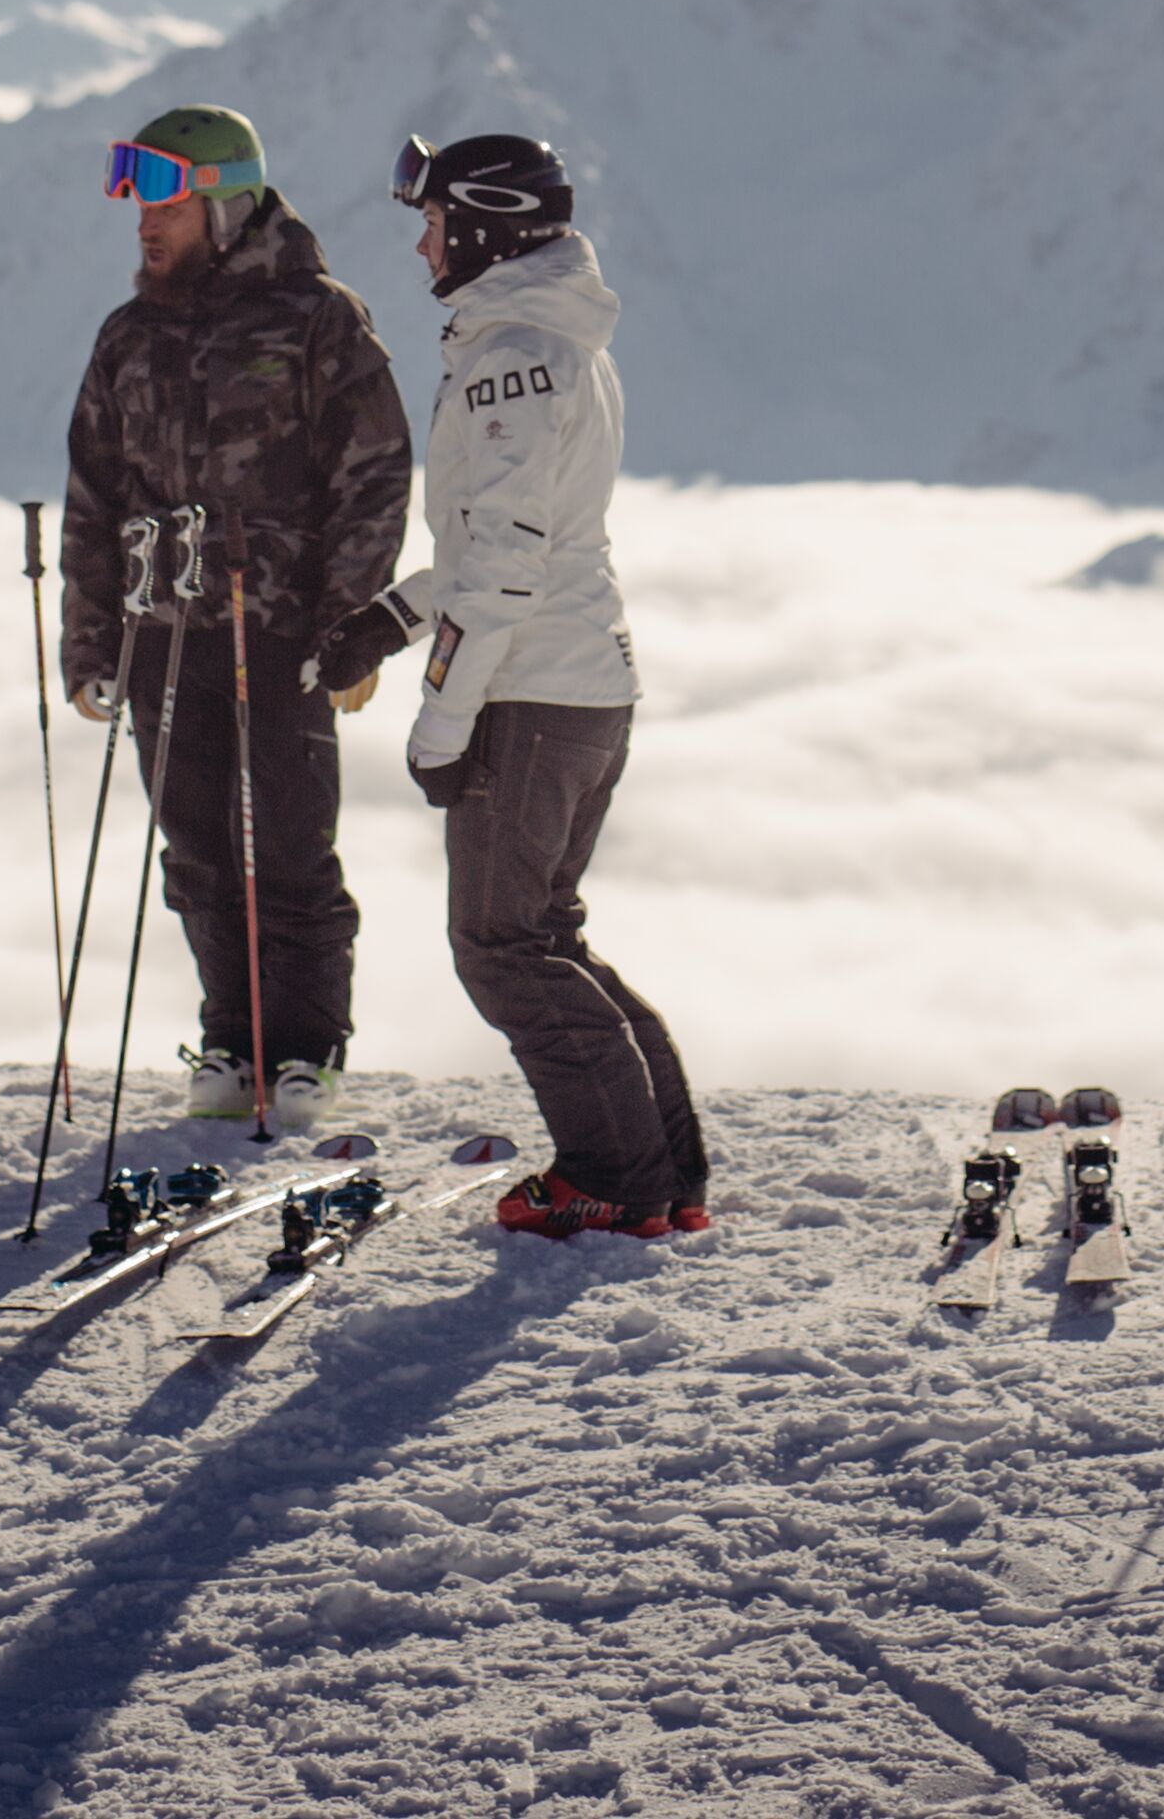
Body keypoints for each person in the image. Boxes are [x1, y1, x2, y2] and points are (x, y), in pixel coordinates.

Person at [55, 102, 414, 1131]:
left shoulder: (315, 318)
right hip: (160, 626)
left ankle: (307, 1048)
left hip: (283, 630)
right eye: (131, 190)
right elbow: (93, 494)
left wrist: (350, 624)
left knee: (290, 845)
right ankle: (231, 1035)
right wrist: (89, 642)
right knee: (197, 846)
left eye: (160, 192)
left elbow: (375, 471)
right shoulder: (127, 335)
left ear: (226, 200)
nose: (139, 216)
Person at [388, 131, 706, 1239]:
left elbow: (509, 558)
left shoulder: (510, 352)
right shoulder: (555, 342)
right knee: (545, 934)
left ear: (482, 222)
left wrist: (441, 723)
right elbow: (512, 538)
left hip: (530, 696)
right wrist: (396, 610)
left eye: (432, 219)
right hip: (585, 686)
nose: (420, 240)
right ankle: (664, 1174)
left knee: (502, 945)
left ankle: (613, 1177)